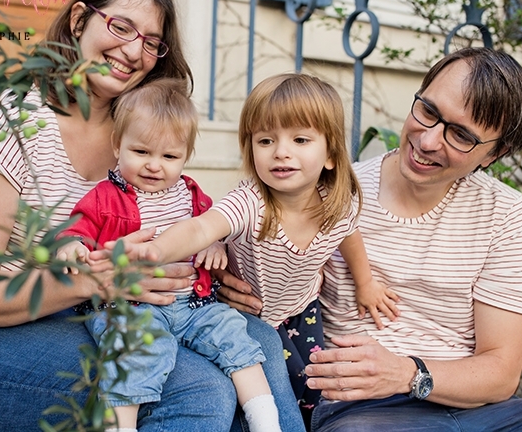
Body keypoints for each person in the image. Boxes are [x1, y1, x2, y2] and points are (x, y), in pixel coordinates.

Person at [0, 0, 303, 432]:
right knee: (195, 386)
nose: (134, 50)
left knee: (256, 342)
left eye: (152, 41)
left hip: (101, 315)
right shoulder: (3, 127)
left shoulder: (146, 133)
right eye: (120, 26)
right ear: (79, 21)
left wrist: (216, 272)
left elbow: (182, 222)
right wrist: (101, 279)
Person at [213, 48, 522, 431]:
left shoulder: (504, 213)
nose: (427, 141)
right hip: (367, 414)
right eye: (427, 112)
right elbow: (253, 233)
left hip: (474, 411)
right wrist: (228, 270)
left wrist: (408, 373)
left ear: (495, 153)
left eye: (460, 135)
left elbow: (502, 374)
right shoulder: (328, 193)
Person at [98, 73, 400, 429]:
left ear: (331, 155)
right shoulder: (250, 203)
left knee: (309, 388)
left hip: (300, 309)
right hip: (242, 310)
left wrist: (365, 283)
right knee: (264, 377)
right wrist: (158, 250)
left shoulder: (337, 205)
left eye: (300, 139)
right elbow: (202, 226)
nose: (281, 151)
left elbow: (348, 235)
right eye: (266, 140)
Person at [57, 78, 282, 432]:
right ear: (118, 145)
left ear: (185, 157)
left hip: (194, 305)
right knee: (136, 350)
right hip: (131, 306)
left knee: (236, 337)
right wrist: (73, 246)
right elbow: (77, 229)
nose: (154, 166)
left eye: (169, 156)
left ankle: (266, 421)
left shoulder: (192, 195)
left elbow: (212, 228)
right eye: (142, 152)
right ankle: (121, 426)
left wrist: (214, 245)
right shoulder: (105, 197)